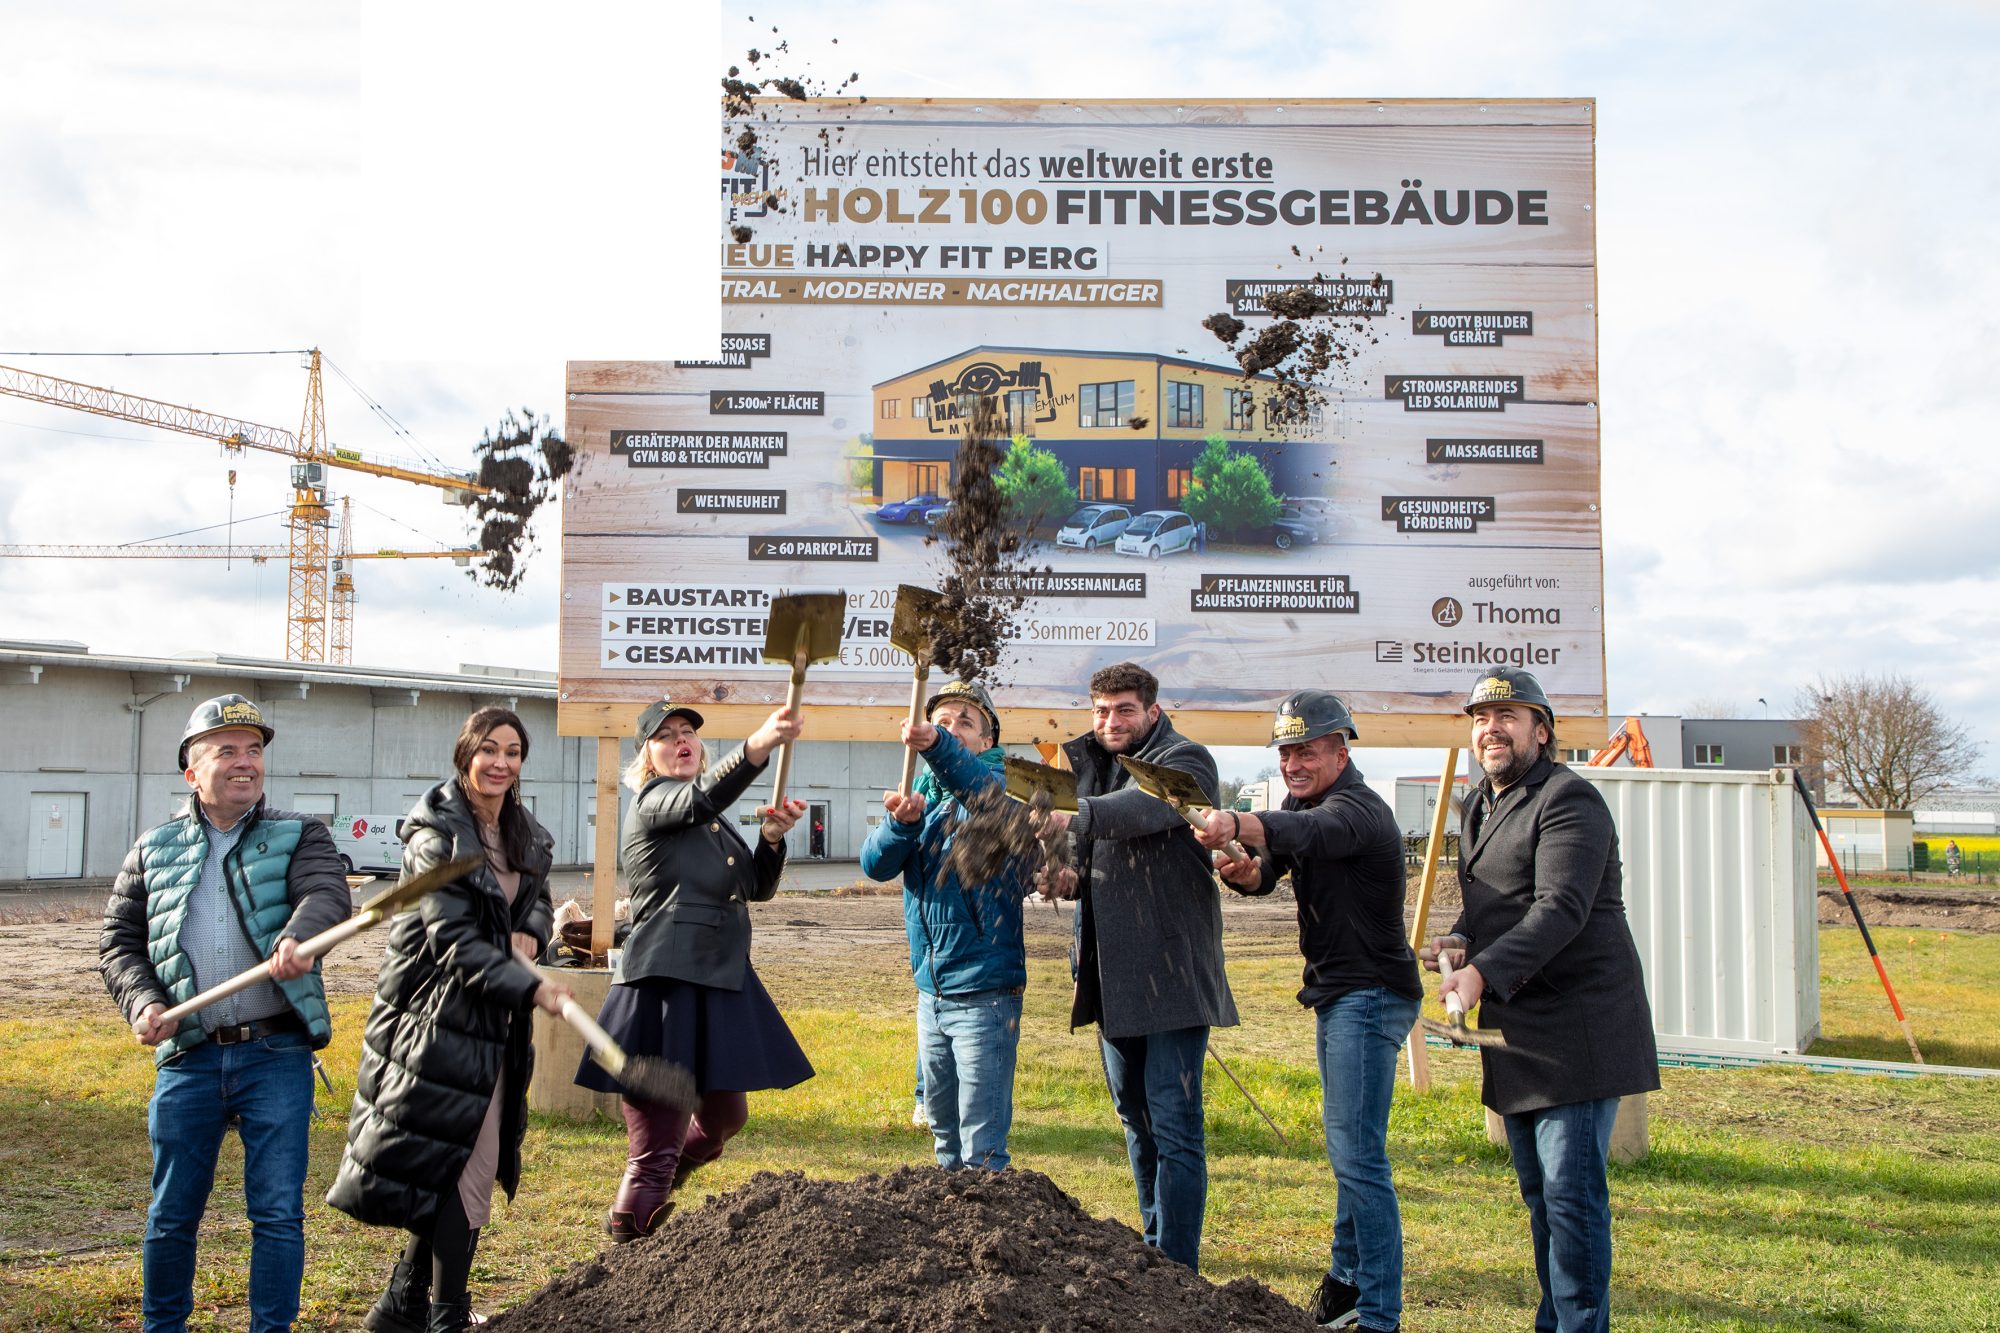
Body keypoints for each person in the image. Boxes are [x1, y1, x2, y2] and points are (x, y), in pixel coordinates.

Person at [98, 693, 350, 1333]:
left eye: (255, 750)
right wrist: (145, 1002)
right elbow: (119, 943)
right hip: (190, 1054)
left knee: (276, 1212)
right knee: (173, 1211)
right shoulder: (153, 849)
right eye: (228, 750)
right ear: (192, 771)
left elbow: (327, 893)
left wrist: (299, 935)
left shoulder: (300, 833)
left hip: (276, 1054)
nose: (246, 762)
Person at [1420, 667, 1659, 1333]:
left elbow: (1561, 909)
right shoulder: (1480, 804)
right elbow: (1491, 905)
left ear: (1541, 730)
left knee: (1571, 1199)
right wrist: (1463, 940)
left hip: (1579, 1029)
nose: (1490, 727)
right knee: (1540, 1196)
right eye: (1481, 717)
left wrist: (1481, 975)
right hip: (1520, 1028)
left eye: (1508, 715)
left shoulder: (1568, 799)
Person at [326, 706, 572, 1333]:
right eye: (488, 749)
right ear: (465, 754)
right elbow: (455, 944)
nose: (501, 762)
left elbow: (539, 898)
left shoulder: (522, 831)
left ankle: (399, 1309)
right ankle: (447, 1318)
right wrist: (531, 987)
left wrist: (530, 936)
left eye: (513, 751)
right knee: (467, 1164)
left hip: (491, 1024)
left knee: (454, 1160)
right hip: (432, 1024)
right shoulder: (436, 835)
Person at [1198, 690, 1420, 1332]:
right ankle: (1346, 1285)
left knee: (1358, 1157)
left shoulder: (1358, 810)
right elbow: (1277, 863)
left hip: (1371, 994)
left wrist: (1237, 824)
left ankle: (1379, 1313)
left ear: (1341, 748)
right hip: (1339, 992)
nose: (1294, 763)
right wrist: (1247, 872)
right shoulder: (1304, 802)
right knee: (1353, 1148)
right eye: (1286, 751)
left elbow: (1310, 835)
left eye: (1307, 750)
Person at [579, 699, 813, 1242]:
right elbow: (704, 794)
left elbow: (755, 888)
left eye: (688, 731)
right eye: (666, 735)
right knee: (655, 1145)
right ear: (648, 756)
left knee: (727, 1119)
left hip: (718, 981)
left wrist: (771, 840)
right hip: (666, 987)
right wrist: (758, 744)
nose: (681, 739)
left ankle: (666, 1182)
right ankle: (630, 1244)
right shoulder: (655, 801)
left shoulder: (708, 822)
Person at [1039, 661, 1238, 1271]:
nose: (1110, 721)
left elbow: (1146, 807)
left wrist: (1075, 814)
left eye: (1124, 709)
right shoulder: (1090, 768)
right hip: (1110, 976)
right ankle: (1155, 1249)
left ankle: (1179, 1267)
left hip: (1171, 975)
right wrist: (1062, 872)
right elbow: (1087, 861)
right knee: (1135, 1116)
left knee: (1174, 1124)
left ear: (1152, 710)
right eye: (1100, 711)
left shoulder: (1186, 759)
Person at [860, 679, 1034, 1171]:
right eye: (942, 721)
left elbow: (981, 794)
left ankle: (991, 1239)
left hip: (985, 996)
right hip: (931, 995)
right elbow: (874, 866)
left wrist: (937, 745)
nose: (952, 729)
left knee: (981, 1143)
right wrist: (902, 826)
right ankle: (952, 1236)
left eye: (966, 721)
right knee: (943, 1131)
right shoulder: (921, 800)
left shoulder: (1004, 790)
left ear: (988, 741)